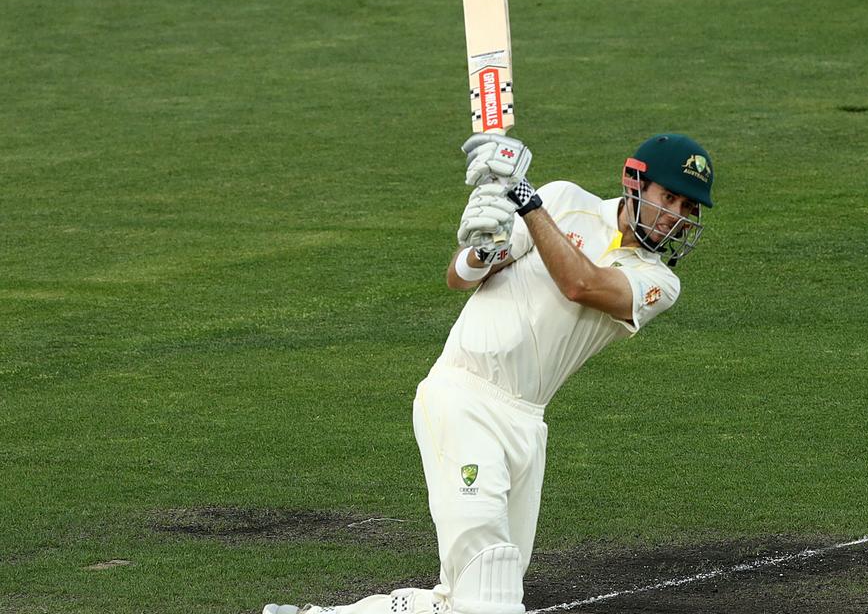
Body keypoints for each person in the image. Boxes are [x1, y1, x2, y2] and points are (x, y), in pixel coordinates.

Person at [265, 132, 715, 614]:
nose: (676, 216)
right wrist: (480, 251)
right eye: (669, 198)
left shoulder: (660, 283)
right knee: (491, 587)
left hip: (526, 422)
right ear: (634, 181)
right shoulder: (564, 200)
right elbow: (460, 276)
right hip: (464, 395)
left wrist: (524, 199)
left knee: (465, 596)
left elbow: (581, 284)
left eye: (688, 208)